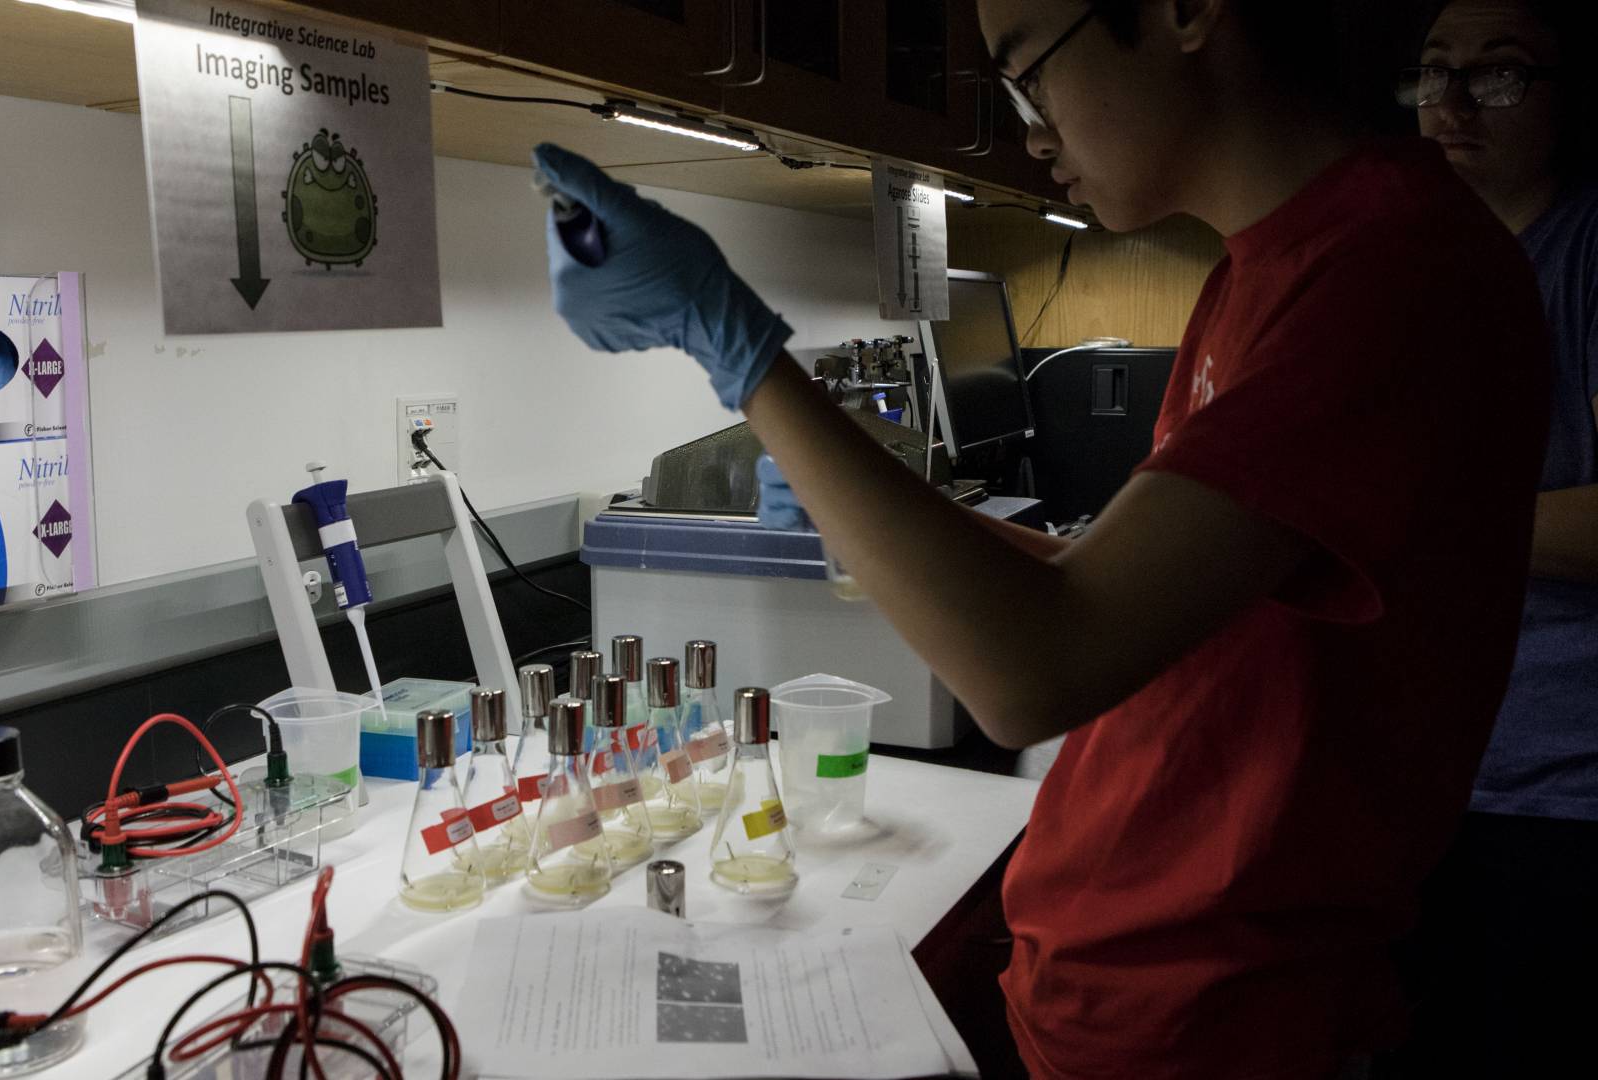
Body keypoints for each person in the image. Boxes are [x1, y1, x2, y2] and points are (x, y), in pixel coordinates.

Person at [533, 0, 1555, 1071]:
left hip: (1223, 1021)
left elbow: (1037, 663)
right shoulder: (1258, 272)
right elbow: (1125, 603)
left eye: (1030, 72)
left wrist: (736, 347)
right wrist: (877, 520)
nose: (1030, 132)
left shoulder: (1389, 267)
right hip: (1140, 994)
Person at [1385, 1, 1598, 1074]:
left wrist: (1408, 522)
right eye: (1434, 74)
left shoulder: (1588, 255)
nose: (1455, 104)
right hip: (1429, 770)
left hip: (1561, 792)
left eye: (1500, 77)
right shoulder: (1420, 270)